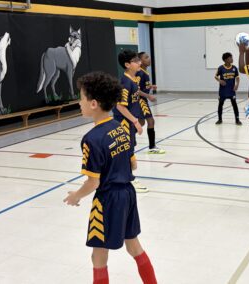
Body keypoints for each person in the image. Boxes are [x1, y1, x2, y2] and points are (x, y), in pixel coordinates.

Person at [64, 71, 157, 284]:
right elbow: (133, 163)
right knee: (133, 245)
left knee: (98, 255)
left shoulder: (91, 139)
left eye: (82, 97)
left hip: (107, 199)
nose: (79, 102)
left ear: (94, 103)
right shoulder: (121, 128)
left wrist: (76, 196)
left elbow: (93, 182)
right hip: (128, 194)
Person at [112, 49, 149, 193]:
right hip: (124, 122)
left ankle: (126, 176)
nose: (139, 62)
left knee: (130, 149)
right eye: (135, 61)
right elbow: (120, 106)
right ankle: (129, 179)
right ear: (127, 64)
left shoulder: (134, 80)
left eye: (139, 60)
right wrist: (135, 121)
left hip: (130, 121)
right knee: (126, 150)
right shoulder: (126, 82)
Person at [136, 52, 166, 153]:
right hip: (140, 100)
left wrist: (150, 86)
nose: (149, 59)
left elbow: (142, 87)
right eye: (146, 57)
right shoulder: (140, 73)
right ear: (140, 61)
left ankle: (127, 136)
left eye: (148, 57)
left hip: (142, 100)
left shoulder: (145, 72)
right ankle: (152, 147)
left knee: (141, 122)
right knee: (150, 121)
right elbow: (136, 90)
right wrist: (148, 96)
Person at [214, 52, 241, 125]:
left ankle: (237, 120)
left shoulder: (234, 68)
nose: (232, 59)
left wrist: (237, 84)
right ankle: (219, 119)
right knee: (220, 104)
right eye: (230, 58)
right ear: (226, 59)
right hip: (223, 91)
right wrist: (220, 80)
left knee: (234, 105)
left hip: (231, 91)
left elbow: (237, 77)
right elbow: (215, 76)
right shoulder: (221, 68)